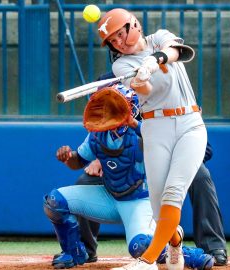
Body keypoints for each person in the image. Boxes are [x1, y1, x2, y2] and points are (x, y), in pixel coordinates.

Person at [43, 84, 214, 269]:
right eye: (107, 106)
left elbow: (165, 144)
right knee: (54, 202)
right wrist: (68, 157)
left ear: (131, 107)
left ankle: (183, 251)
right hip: (109, 197)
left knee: (139, 247)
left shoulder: (145, 131)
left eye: (116, 105)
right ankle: (73, 252)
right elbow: (79, 161)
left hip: (139, 201)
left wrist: (135, 124)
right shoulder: (97, 134)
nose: (110, 110)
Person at [97, 8, 209, 270]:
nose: (118, 43)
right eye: (112, 41)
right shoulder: (121, 65)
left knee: (173, 192)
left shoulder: (159, 37)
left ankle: (146, 261)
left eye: (119, 35)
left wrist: (153, 61)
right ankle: (175, 240)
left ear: (133, 24)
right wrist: (140, 80)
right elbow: (147, 90)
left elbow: (177, 51)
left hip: (189, 124)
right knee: (159, 209)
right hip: (155, 127)